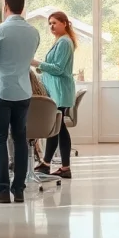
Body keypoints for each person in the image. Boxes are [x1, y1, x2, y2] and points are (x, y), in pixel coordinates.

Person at [0, 0, 40, 204]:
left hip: (1, 91)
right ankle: (20, 189)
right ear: (22, 7)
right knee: (20, 139)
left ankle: (2, 189)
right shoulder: (34, 33)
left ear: (6, 6)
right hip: (23, 91)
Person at [32, 11, 77, 179]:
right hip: (56, 90)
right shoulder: (60, 41)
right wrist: (40, 67)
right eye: (49, 23)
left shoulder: (65, 42)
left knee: (57, 128)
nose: (51, 26)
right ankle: (51, 164)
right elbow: (53, 66)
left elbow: (58, 68)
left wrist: (37, 63)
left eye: (55, 23)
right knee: (57, 128)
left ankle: (53, 165)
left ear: (64, 23)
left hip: (60, 91)